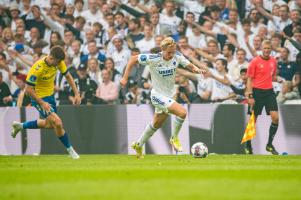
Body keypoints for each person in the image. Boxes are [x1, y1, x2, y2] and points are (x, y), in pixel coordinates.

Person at [120, 37, 205, 158]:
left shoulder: (177, 56)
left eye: (173, 51)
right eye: (169, 52)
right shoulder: (154, 58)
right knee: (182, 112)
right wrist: (125, 77)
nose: (172, 55)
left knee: (156, 124)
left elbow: (190, 66)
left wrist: (198, 70)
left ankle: (138, 144)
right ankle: (174, 138)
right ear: (162, 50)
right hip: (157, 95)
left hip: (169, 95)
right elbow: (133, 59)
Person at [10, 46, 81, 159]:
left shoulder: (58, 62)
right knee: (57, 122)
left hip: (50, 97)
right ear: (51, 58)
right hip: (38, 97)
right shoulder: (37, 68)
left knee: (49, 124)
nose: (59, 64)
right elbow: (28, 90)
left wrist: (77, 93)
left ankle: (20, 126)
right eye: (57, 62)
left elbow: (68, 76)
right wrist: (41, 102)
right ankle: (71, 151)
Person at [245, 40, 279, 155]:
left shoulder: (273, 61)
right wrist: (250, 95)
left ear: (271, 49)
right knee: (253, 120)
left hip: (269, 92)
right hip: (257, 92)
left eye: (268, 48)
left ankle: (269, 145)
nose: (266, 50)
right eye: (264, 48)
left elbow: (273, 76)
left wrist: (277, 80)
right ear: (261, 49)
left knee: (275, 117)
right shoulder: (254, 61)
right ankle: (248, 145)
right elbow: (249, 79)